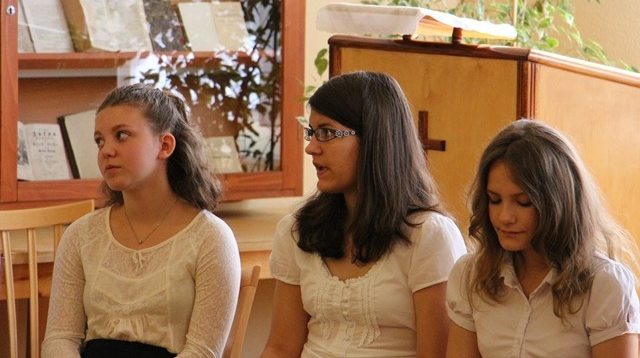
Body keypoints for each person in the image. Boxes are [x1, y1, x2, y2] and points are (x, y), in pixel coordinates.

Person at [261, 71, 467, 358]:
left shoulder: (428, 235)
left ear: (373, 139)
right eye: (312, 132)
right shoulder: (297, 230)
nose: (311, 147)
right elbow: (281, 348)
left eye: (327, 133)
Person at [42, 83, 241, 358]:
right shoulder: (81, 234)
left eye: (121, 135)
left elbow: (202, 352)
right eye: (100, 141)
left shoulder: (210, 237)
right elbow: (59, 338)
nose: (106, 150)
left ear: (165, 145)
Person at [445, 119, 640, 358]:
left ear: (558, 204)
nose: (505, 217)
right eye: (495, 200)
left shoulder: (604, 284)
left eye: (523, 202)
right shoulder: (470, 274)